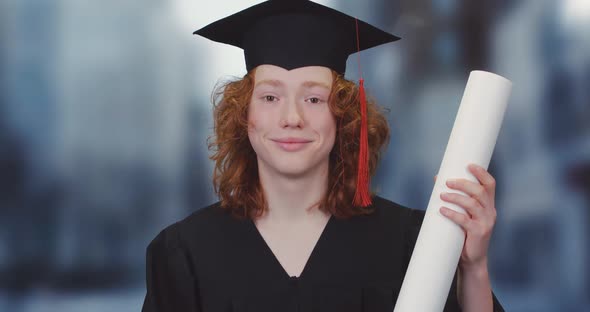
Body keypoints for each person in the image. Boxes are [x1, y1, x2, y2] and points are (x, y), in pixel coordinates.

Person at [141, 0, 504, 311]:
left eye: (314, 98)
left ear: (342, 115)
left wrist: (473, 267)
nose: (292, 118)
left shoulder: (413, 242)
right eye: (270, 97)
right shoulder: (184, 253)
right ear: (244, 115)